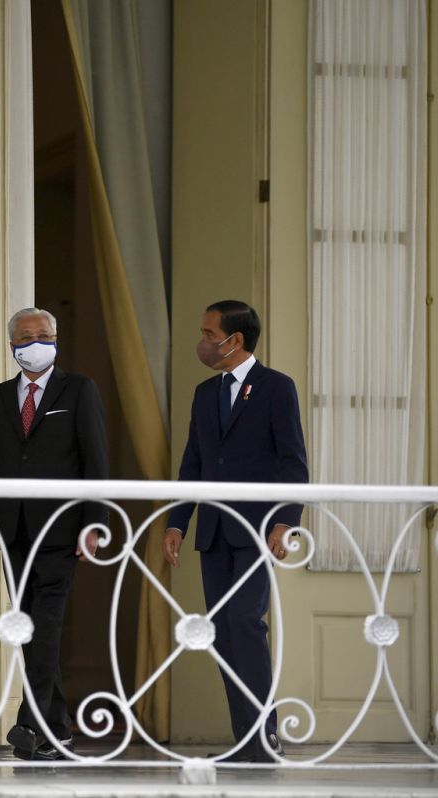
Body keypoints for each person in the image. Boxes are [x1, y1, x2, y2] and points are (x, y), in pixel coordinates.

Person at [164, 300, 308, 763]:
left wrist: (286, 521)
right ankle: (244, 739)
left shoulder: (275, 388)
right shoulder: (206, 393)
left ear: (235, 340)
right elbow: (193, 463)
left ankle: (265, 738)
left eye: (209, 334)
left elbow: (293, 461)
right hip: (213, 533)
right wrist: (177, 521)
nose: (203, 342)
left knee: (247, 623)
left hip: (257, 528)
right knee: (222, 633)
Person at [0, 307, 108, 761]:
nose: (35, 343)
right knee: (29, 629)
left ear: (56, 340)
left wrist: (94, 523)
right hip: (12, 531)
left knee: (45, 625)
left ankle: (28, 722)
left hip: (61, 530)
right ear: (12, 347)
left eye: (44, 335)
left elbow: (96, 462)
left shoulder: (79, 389)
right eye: (26, 337)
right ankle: (57, 731)